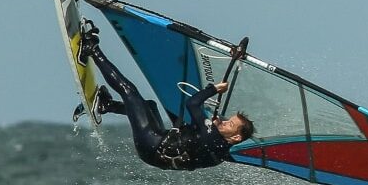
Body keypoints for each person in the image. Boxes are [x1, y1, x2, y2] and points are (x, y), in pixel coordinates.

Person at [78, 25, 254, 170]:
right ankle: (107, 105)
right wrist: (211, 125)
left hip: (152, 143)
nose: (223, 122)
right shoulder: (223, 150)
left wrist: (214, 89)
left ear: (236, 137)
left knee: (129, 91)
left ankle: (91, 49)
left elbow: (192, 104)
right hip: (156, 151)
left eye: (229, 124)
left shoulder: (211, 136)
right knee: (150, 106)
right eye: (227, 120)